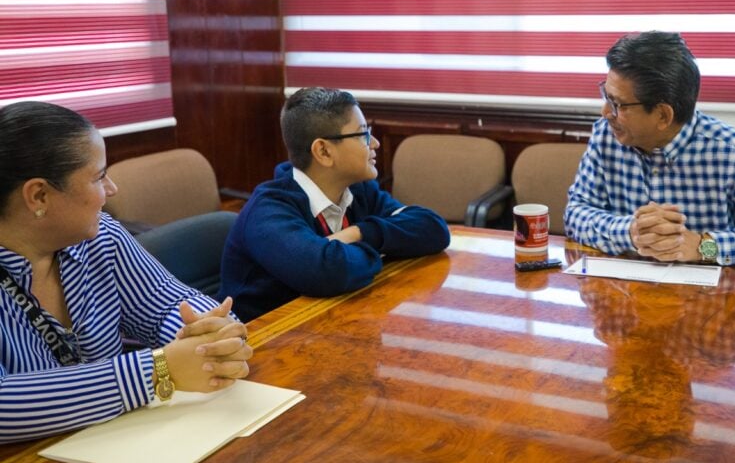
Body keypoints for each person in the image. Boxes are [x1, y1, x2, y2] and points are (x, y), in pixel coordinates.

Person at [0, 102, 251, 443]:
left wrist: (210, 336)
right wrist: (159, 370)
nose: (112, 190)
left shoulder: (100, 236)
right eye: (99, 177)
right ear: (39, 195)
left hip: (123, 441)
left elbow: (168, 303)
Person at [565, 31, 735, 265]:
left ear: (663, 115)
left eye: (617, 104)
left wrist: (702, 246)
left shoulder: (731, 153)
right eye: (606, 96)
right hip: (624, 296)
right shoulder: (606, 136)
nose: (605, 112)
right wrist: (629, 232)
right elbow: (575, 214)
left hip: (706, 302)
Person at [219, 87, 450, 322]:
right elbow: (328, 272)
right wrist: (385, 249)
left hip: (334, 322)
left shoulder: (358, 190)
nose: (376, 144)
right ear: (324, 151)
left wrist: (359, 233)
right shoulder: (267, 211)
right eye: (363, 135)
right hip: (265, 342)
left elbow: (432, 228)